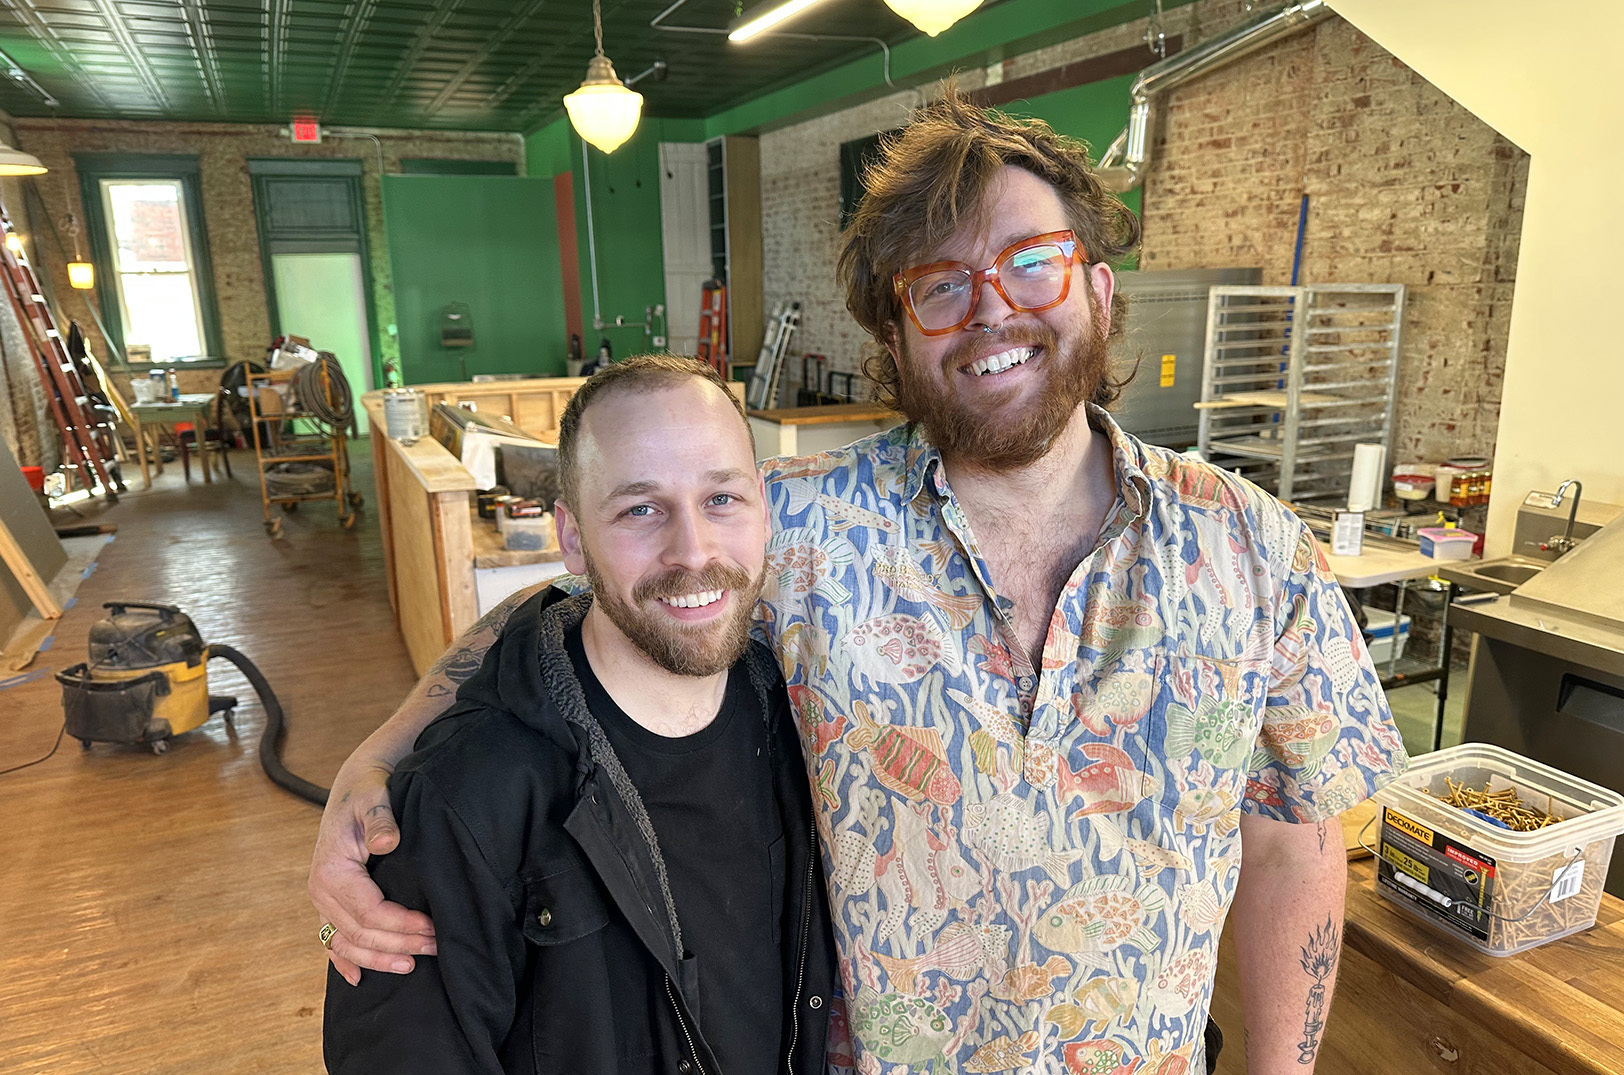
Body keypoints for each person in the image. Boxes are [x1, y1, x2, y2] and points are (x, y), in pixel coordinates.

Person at [312, 89, 1408, 1073]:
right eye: (939, 286)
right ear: (895, 332)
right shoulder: (803, 524)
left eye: (1032, 261)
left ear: (1101, 289)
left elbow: (1294, 840)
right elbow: (589, 595)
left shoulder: (1253, 549)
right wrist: (378, 756)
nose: (991, 309)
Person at [321, 356, 835, 1075]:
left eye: (721, 498)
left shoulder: (799, 721)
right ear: (570, 538)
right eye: (639, 509)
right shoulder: (464, 795)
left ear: (764, 508)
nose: (692, 551)